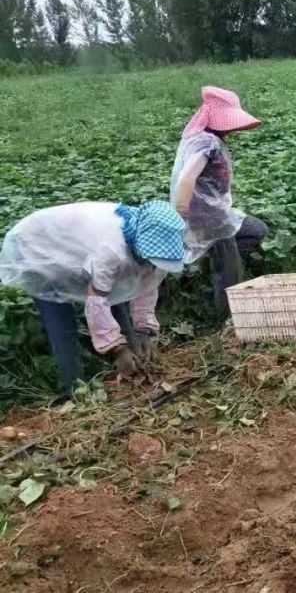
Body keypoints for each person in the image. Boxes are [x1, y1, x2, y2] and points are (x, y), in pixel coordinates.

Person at [0, 201, 187, 392]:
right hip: (37, 247)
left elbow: (146, 285)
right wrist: (118, 350)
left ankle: (136, 360)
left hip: (78, 246)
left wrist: (144, 332)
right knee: (61, 322)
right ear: (141, 246)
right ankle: (74, 389)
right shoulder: (112, 250)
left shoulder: (156, 242)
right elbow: (96, 300)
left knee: (116, 300)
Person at [171, 86, 269, 314]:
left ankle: (216, 266)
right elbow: (186, 180)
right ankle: (227, 320)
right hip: (208, 219)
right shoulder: (206, 143)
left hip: (218, 213)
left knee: (256, 230)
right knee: (229, 274)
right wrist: (181, 216)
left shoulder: (205, 139)